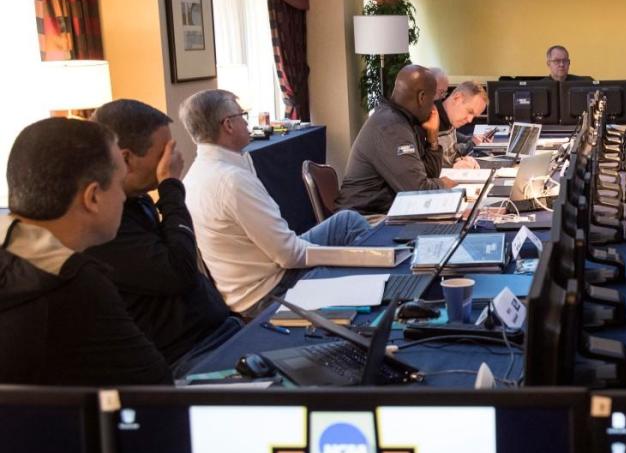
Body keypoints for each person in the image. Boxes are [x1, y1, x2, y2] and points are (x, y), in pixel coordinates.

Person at [0, 118, 172, 385]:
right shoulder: (75, 284)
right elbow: (156, 388)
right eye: (119, 184)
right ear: (92, 197)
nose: (123, 197)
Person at [181, 90, 373, 318]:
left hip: (256, 275)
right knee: (359, 262)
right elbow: (289, 256)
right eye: (242, 115)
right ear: (228, 125)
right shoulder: (231, 181)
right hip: (269, 291)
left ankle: (382, 275)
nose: (247, 122)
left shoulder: (194, 175)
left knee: (347, 222)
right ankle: (387, 292)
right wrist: (352, 256)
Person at [87, 100, 239, 374]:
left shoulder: (138, 200)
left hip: (222, 331)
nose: (172, 160)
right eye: (163, 153)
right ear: (126, 159)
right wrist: (170, 186)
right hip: (190, 355)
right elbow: (180, 270)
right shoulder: (105, 225)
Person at [338, 65, 453, 215]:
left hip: (385, 211)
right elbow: (418, 192)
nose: (433, 108)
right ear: (422, 97)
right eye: (432, 101)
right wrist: (443, 184)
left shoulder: (403, 120)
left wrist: (432, 140)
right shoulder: (391, 127)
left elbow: (427, 176)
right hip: (365, 217)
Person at [435, 81, 490, 168]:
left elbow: (449, 156)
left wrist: (463, 160)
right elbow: (418, 170)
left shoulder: (450, 120)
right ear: (457, 98)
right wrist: (452, 169)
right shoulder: (427, 121)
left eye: (474, 116)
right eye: (469, 111)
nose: (469, 120)